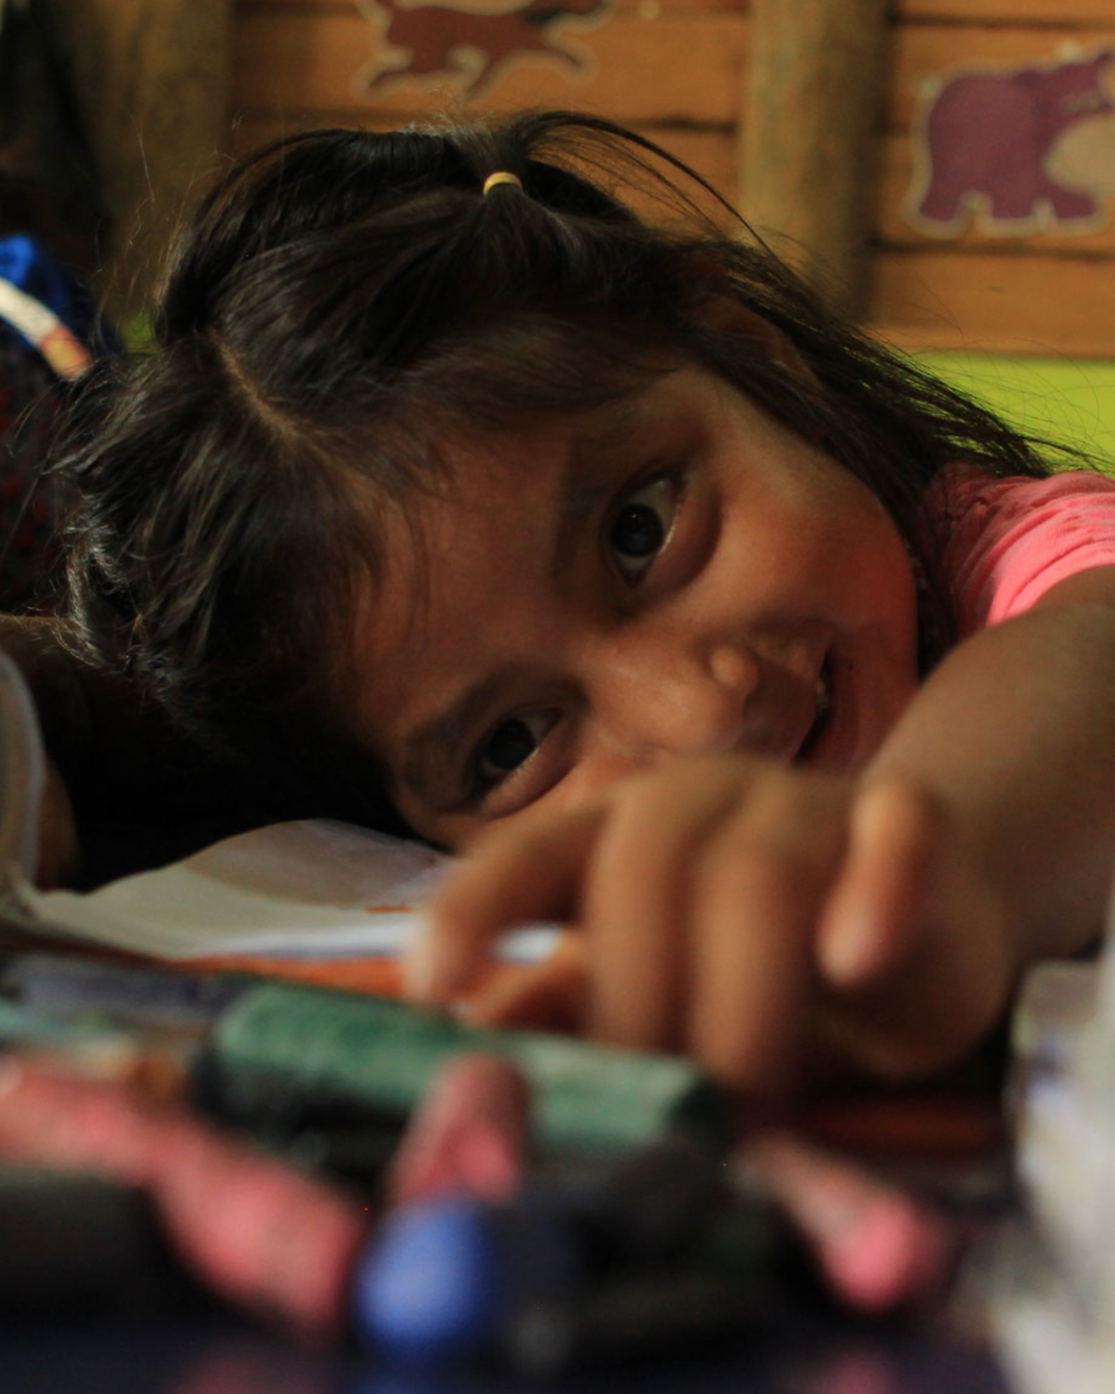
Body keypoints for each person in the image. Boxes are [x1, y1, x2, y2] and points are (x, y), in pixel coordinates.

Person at [31, 110, 1115, 1099]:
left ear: (754, 358)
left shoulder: (1029, 553)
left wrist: (933, 879)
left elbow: (1092, 655)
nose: (698, 713)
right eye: (510, 745)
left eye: (640, 532)